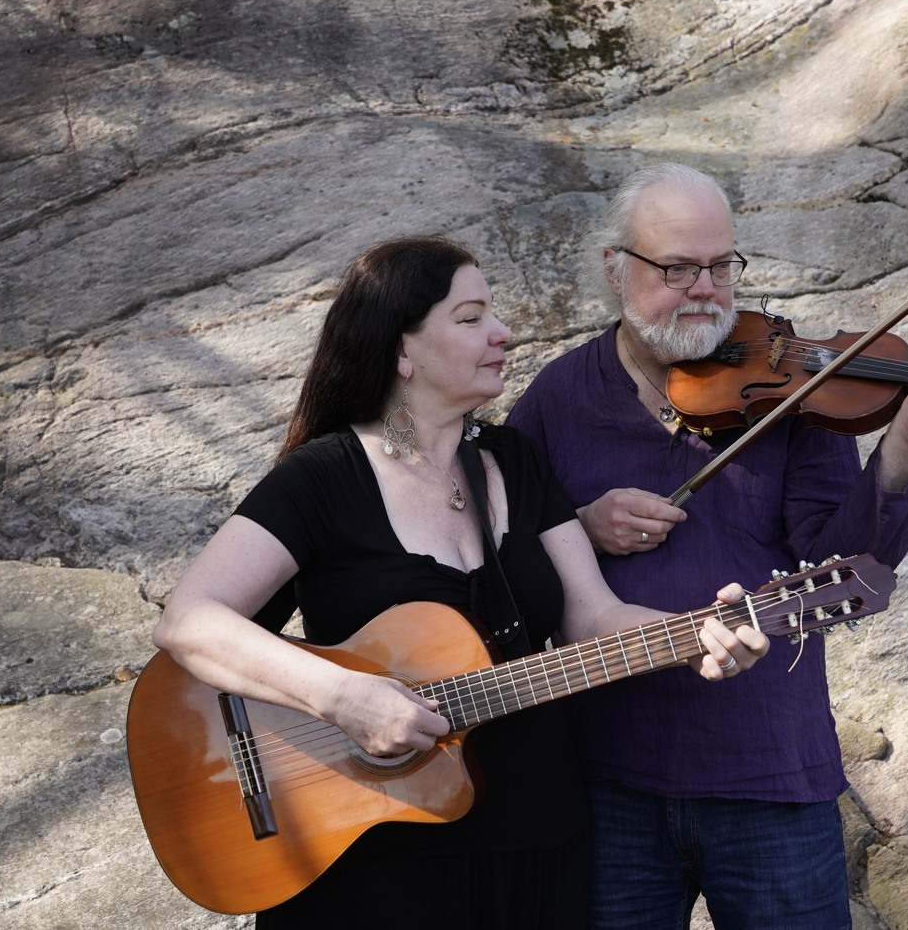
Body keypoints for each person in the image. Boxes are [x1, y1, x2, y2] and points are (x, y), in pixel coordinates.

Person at [151, 235, 770, 930]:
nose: (502, 332)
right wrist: (342, 697)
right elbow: (188, 619)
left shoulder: (517, 462)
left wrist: (693, 634)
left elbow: (593, 617)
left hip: (537, 838)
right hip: (373, 851)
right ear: (401, 351)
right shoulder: (323, 478)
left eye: (493, 314)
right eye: (471, 317)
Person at [506, 163, 908, 930]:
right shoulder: (559, 399)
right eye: (678, 268)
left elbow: (852, 570)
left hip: (769, 769)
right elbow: (494, 559)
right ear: (616, 269)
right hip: (606, 779)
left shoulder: (796, 389)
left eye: (722, 266)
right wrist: (578, 523)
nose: (705, 290)